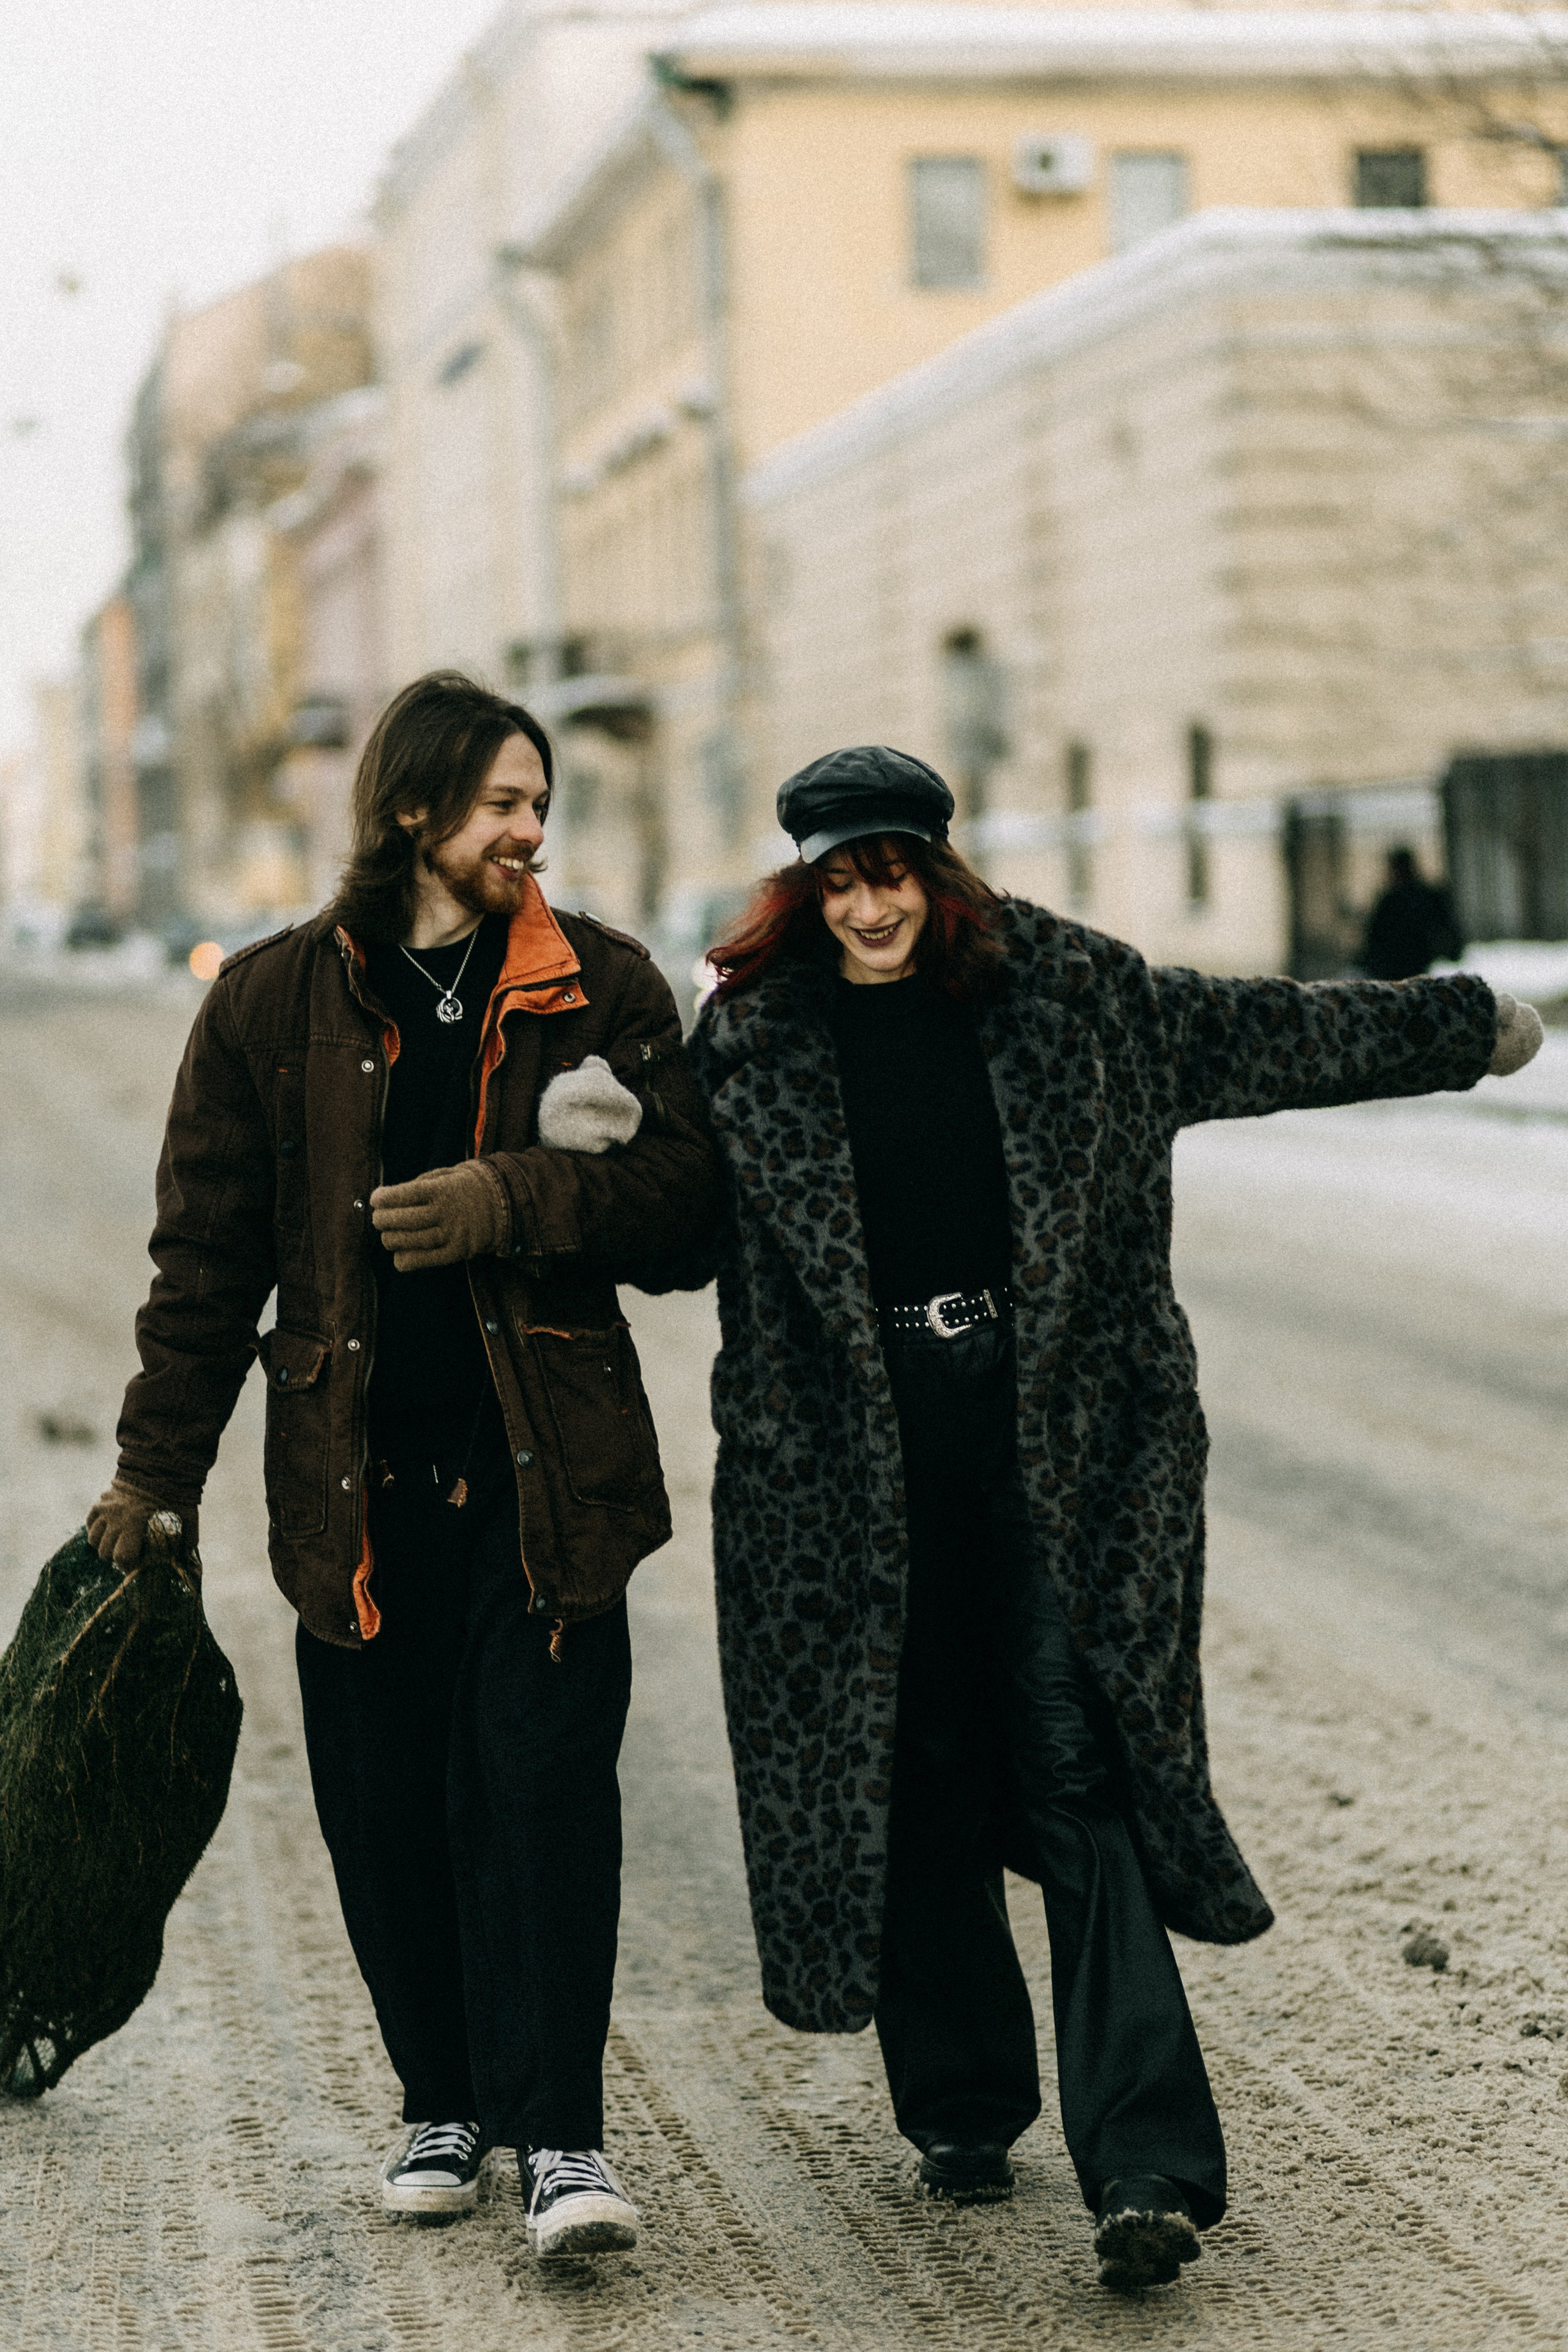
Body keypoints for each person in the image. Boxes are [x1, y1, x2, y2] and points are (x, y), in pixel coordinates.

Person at [681, 744, 1542, 2293]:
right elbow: (668, 1222)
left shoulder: (1075, 1000)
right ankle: (957, 2102)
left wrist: (1458, 1021)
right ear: (803, 891)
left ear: (937, 874)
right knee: (916, 1760)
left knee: (1074, 1755)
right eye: (837, 878)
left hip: (1059, 1447)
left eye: (890, 872)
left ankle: (1144, 2160)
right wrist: (575, 1145)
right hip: (845, 1471)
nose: (867, 904)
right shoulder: (750, 1045)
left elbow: (1267, 1027)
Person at [88, 672, 719, 2258]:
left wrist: (520, 1199)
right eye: (505, 802)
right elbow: (206, 1260)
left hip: (550, 1476)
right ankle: (442, 2099)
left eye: (540, 803)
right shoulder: (271, 1001)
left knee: (547, 1796)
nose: (532, 829)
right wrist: (154, 1473)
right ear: (415, 813)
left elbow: (696, 1211)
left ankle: (563, 2134)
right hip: (352, 1484)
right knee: (387, 1811)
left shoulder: (603, 989)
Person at [1360, 846, 1465, 981]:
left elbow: (1374, 940)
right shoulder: (1427, 896)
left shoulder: (1392, 900)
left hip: (1397, 969)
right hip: (1411, 967)